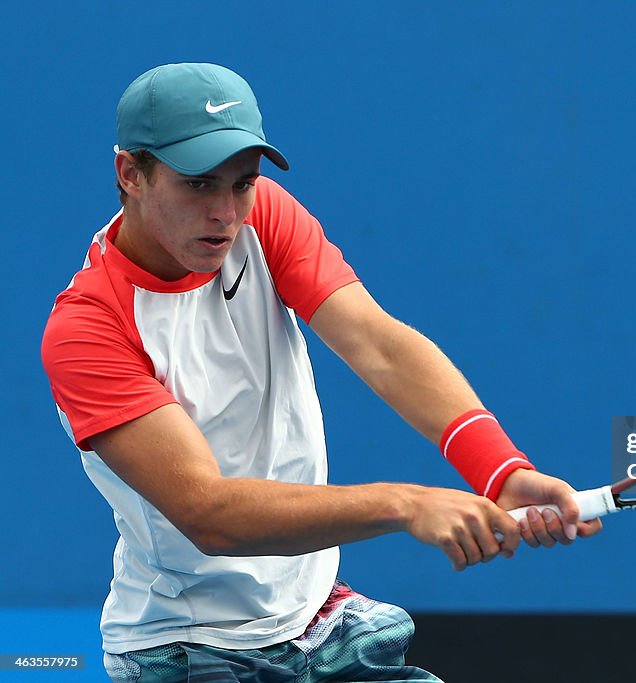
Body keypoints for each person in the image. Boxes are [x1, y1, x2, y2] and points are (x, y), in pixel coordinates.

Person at [41, 62, 600, 682]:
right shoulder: (87, 331)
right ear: (130, 174)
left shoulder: (261, 218)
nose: (226, 212)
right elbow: (209, 514)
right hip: (188, 650)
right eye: (199, 185)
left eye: (242, 183)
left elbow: (378, 345)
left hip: (316, 620)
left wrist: (500, 468)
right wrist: (405, 504)